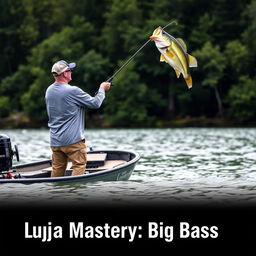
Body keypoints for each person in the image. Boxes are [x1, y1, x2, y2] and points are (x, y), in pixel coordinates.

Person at [45, 60, 110, 177]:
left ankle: (55, 193)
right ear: (64, 73)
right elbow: (95, 103)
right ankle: (75, 192)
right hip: (73, 141)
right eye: (70, 70)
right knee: (79, 165)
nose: (71, 72)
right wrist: (102, 89)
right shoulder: (73, 90)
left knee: (57, 170)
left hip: (55, 141)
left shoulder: (49, 91)